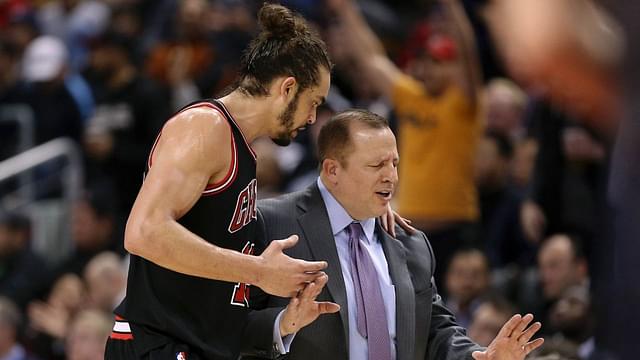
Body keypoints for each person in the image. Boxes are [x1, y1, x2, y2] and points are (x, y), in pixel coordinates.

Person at [104, 4, 334, 359]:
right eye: (313, 102)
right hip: (159, 344)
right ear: (288, 89)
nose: (313, 117)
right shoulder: (206, 127)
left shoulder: (242, 151)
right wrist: (258, 271)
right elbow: (143, 232)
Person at [241, 109, 543, 360]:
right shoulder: (272, 222)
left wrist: (480, 356)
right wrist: (282, 324)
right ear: (333, 170)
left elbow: (435, 328)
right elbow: (229, 325)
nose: (391, 176)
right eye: (377, 165)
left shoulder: (410, 240)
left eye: (394, 163)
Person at [327, 0, 483, 291]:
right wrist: (346, 10)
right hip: (410, 227)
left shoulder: (463, 104)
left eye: (439, 62)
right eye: (425, 62)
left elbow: (468, 53)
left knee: (451, 310)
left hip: (454, 227)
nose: (428, 69)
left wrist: (452, 8)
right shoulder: (412, 97)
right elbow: (371, 58)